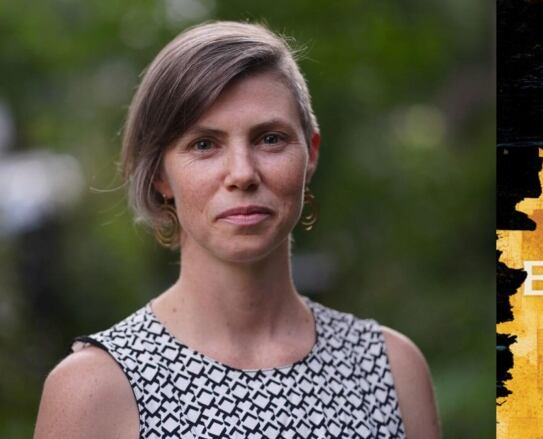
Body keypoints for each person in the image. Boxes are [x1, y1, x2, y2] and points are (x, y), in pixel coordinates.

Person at [34, 21, 439, 439]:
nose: (242, 174)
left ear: (310, 154)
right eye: (204, 145)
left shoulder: (391, 371)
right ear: (160, 175)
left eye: (269, 139)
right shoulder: (94, 390)